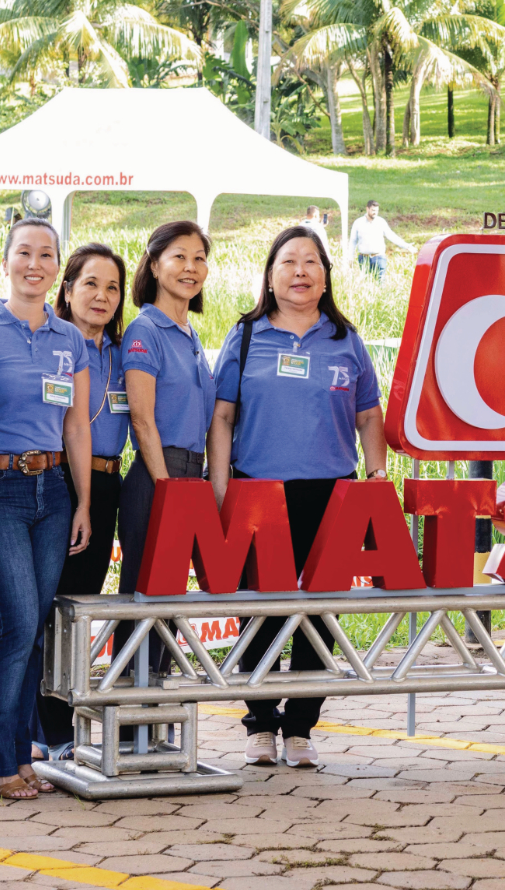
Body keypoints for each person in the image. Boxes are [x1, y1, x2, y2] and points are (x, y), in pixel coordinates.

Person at [208, 226, 387, 766]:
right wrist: (220, 493)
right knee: (257, 613)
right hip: (256, 491)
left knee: (317, 614)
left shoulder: (346, 338)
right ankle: (260, 722)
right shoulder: (245, 335)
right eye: (289, 261)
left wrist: (377, 478)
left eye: (312, 261)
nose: (301, 271)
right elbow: (221, 418)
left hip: (332, 492)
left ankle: (302, 726)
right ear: (270, 274)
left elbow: (368, 414)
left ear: (326, 275)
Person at [0, 218, 91, 800]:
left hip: (54, 491)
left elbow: (76, 426)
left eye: (47, 254)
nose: (35, 263)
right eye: (24, 252)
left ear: (57, 265)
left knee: (34, 630)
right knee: (16, 625)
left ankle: (17, 756)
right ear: (7, 259)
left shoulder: (70, 339)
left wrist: (84, 500)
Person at [34, 243, 129, 761]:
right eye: (90, 283)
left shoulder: (121, 351)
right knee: (46, 604)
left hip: (107, 485)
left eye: (112, 287)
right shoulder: (55, 344)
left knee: (81, 603)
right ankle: (46, 729)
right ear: (67, 289)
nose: (101, 296)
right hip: (58, 483)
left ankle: (62, 724)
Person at [116, 222, 216, 670]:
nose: (190, 268)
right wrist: (166, 490)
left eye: (199, 258)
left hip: (191, 478)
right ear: (155, 265)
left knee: (169, 604)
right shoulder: (146, 329)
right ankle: (129, 719)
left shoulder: (191, 336)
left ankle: (154, 720)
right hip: (159, 477)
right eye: (179, 257)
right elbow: (142, 419)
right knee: (143, 601)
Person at [347, 200, 414, 279]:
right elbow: (353, 241)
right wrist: (350, 258)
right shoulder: (358, 223)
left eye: (376, 211)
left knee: (381, 282)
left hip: (379, 257)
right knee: (366, 282)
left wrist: (405, 245)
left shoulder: (381, 222)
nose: (375, 212)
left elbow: (391, 235)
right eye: (373, 210)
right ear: (367, 209)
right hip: (364, 258)